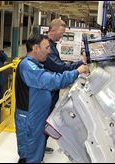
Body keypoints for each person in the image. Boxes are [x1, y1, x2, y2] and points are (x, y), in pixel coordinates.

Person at [14, 34, 89, 163]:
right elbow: (52, 81)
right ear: (36, 48)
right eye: (47, 47)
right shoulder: (28, 66)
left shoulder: (36, 64)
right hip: (29, 120)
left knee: (36, 151)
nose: (49, 51)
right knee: (29, 155)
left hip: (36, 118)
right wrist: (77, 71)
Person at [42, 19, 86, 154]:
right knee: (43, 120)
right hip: (47, 90)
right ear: (53, 30)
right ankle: (38, 153)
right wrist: (79, 65)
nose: (62, 36)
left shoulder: (53, 45)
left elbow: (58, 64)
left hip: (52, 88)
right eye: (61, 33)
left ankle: (42, 147)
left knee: (47, 119)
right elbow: (58, 67)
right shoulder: (47, 47)